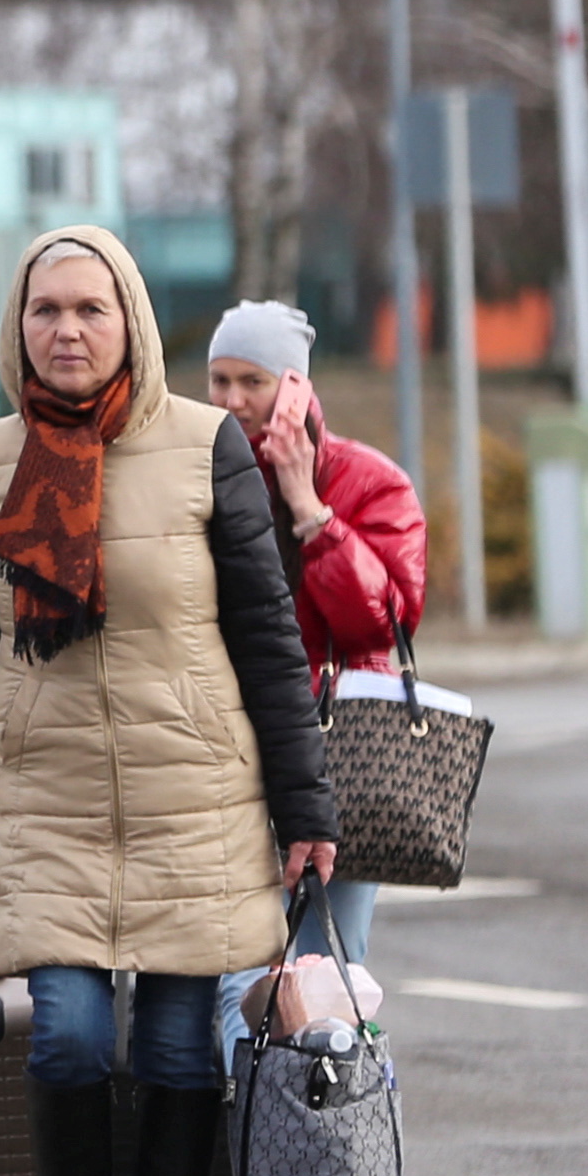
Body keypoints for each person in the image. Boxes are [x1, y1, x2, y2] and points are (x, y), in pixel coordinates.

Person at [0, 229, 336, 1176]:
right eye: (47, 310)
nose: (69, 330)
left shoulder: (206, 452)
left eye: (92, 308)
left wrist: (305, 804)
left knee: (179, 1048)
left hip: (193, 793)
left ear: (130, 319)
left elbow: (268, 638)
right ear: (19, 326)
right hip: (51, 803)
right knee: (73, 1040)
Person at [199, 297, 427, 964]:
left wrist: (310, 512)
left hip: (336, 756)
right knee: (231, 969)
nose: (232, 399)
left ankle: (326, 1072)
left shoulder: (369, 482)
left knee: (326, 964)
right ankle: (246, 1073)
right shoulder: (195, 480)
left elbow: (381, 622)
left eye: (253, 381)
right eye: (219, 380)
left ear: (295, 388)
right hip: (223, 749)